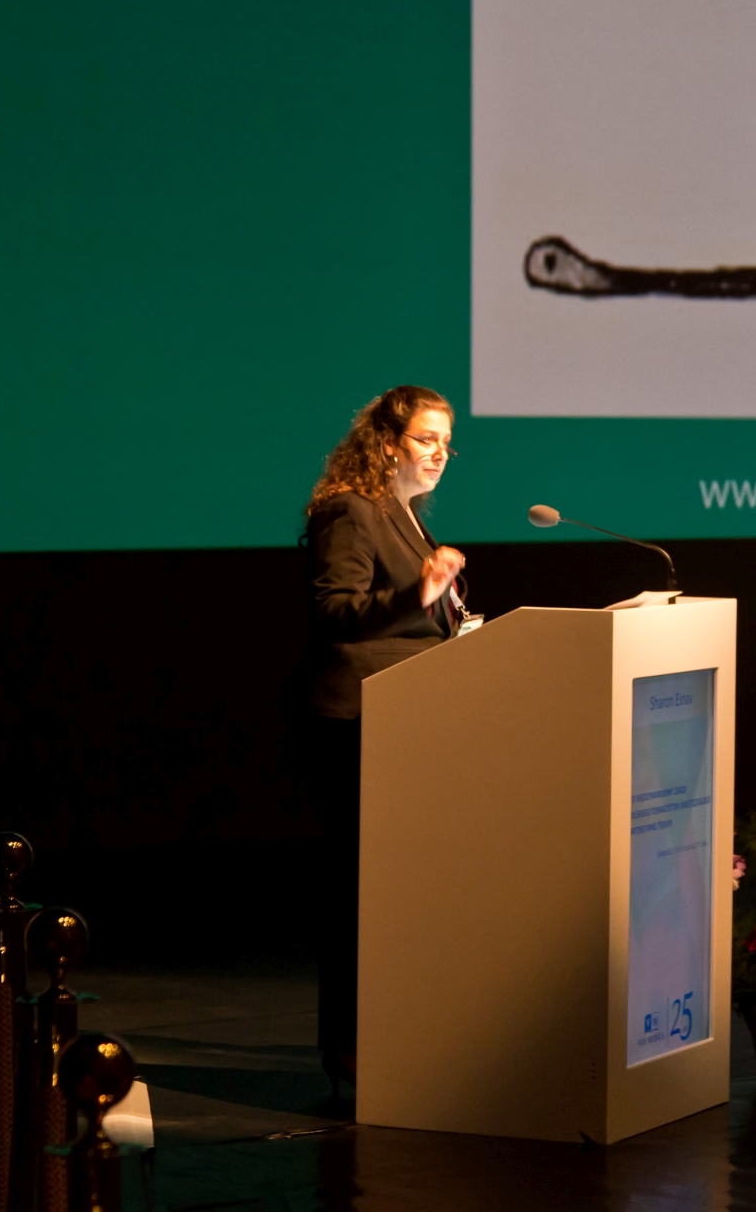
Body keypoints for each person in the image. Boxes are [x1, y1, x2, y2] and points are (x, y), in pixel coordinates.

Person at [301, 384, 465, 1092]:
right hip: (357, 726)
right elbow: (336, 613)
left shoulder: (406, 515)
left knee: (396, 893)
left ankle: (394, 1037)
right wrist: (417, 596)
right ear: (388, 441)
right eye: (427, 439)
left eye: (447, 443)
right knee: (356, 895)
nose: (440, 454)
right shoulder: (350, 509)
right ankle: (348, 1049)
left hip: (404, 723)